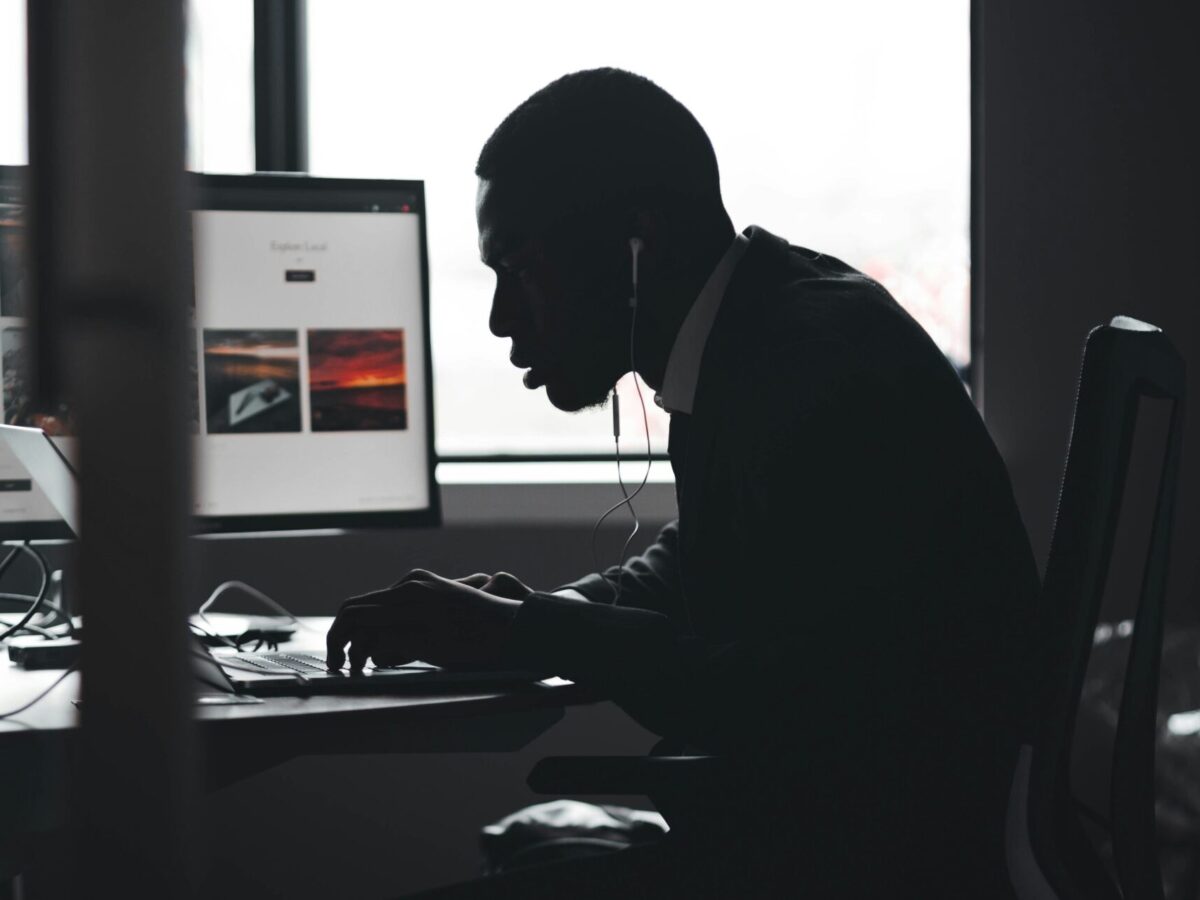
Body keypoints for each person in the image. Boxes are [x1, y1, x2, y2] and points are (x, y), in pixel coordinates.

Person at [326, 68, 1040, 897]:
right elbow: (711, 561)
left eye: (518, 267)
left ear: (639, 242)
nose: (500, 318)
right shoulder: (775, 325)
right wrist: (542, 610)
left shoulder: (806, 371)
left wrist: (528, 634)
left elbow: (777, 692)